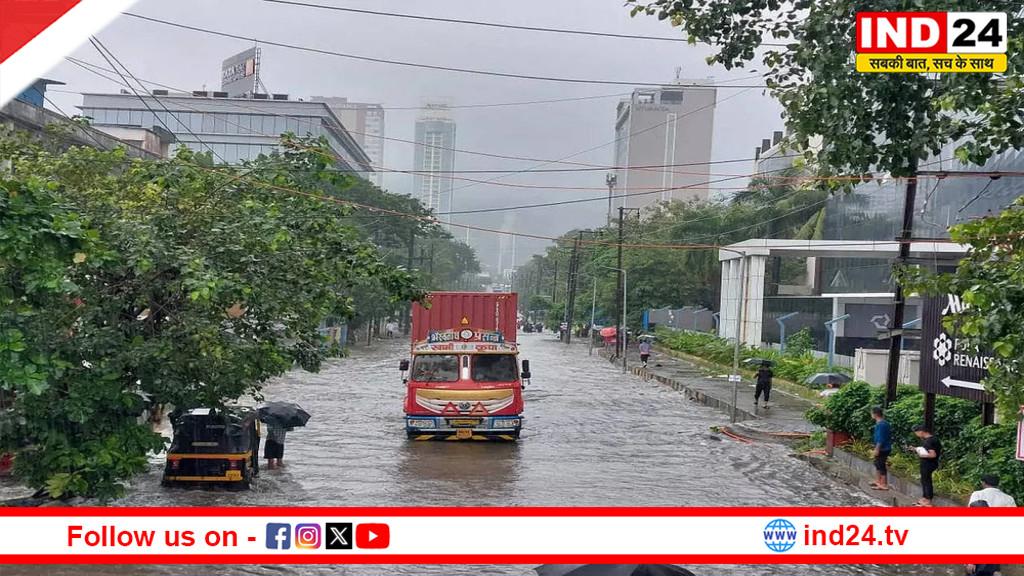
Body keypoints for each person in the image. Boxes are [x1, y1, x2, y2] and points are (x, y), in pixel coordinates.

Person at [912, 425, 942, 507]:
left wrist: (922, 455)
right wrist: (916, 449)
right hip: (931, 463)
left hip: (928, 464)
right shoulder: (934, 439)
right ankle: (925, 498)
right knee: (924, 480)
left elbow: (932, 454)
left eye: (917, 433)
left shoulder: (928, 442)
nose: (917, 435)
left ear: (921, 431)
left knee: (927, 481)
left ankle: (928, 500)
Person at [869, 407, 892, 491]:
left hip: (883, 448)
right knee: (877, 463)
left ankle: (884, 484)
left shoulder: (881, 425)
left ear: (875, 414)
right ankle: (878, 480)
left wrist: (877, 449)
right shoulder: (882, 423)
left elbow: (881, 438)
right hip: (882, 447)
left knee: (881, 465)